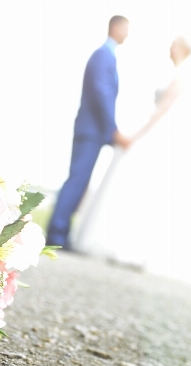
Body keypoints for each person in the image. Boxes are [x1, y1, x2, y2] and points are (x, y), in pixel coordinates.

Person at [71, 36, 191, 282]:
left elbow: (162, 111)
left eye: (173, 44)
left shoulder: (181, 75)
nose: (169, 47)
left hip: (155, 131)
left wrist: (135, 136)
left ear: (181, 48)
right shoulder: (178, 74)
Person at [46, 15, 132, 249]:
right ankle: (56, 234)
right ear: (115, 27)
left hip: (93, 131)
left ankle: (61, 231)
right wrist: (113, 129)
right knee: (77, 180)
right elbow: (101, 93)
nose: (127, 33)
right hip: (90, 131)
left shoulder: (107, 56)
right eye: (125, 28)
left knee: (80, 183)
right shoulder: (103, 55)